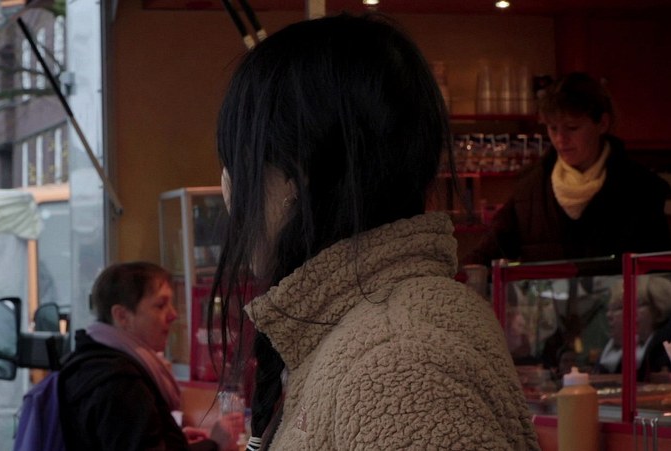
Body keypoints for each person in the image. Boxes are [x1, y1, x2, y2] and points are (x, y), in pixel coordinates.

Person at [211, 12, 539, 450]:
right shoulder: (370, 334)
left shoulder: (397, 363)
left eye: (237, 162)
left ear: (297, 174)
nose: (229, 189)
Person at [465, 72, 671, 267]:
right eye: (553, 128)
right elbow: (485, 256)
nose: (560, 139)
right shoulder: (530, 187)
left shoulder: (641, 188)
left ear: (602, 123)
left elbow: (658, 270)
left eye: (572, 128)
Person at [59, 262, 244, 451]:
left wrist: (173, 440)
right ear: (122, 316)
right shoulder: (120, 380)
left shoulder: (93, 362)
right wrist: (214, 445)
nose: (173, 314)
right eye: (160, 305)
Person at [596, 275, 671, 381]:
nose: (609, 315)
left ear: (657, 309)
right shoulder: (612, 352)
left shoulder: (664, 352)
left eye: (620, 307)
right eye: (609, 309)